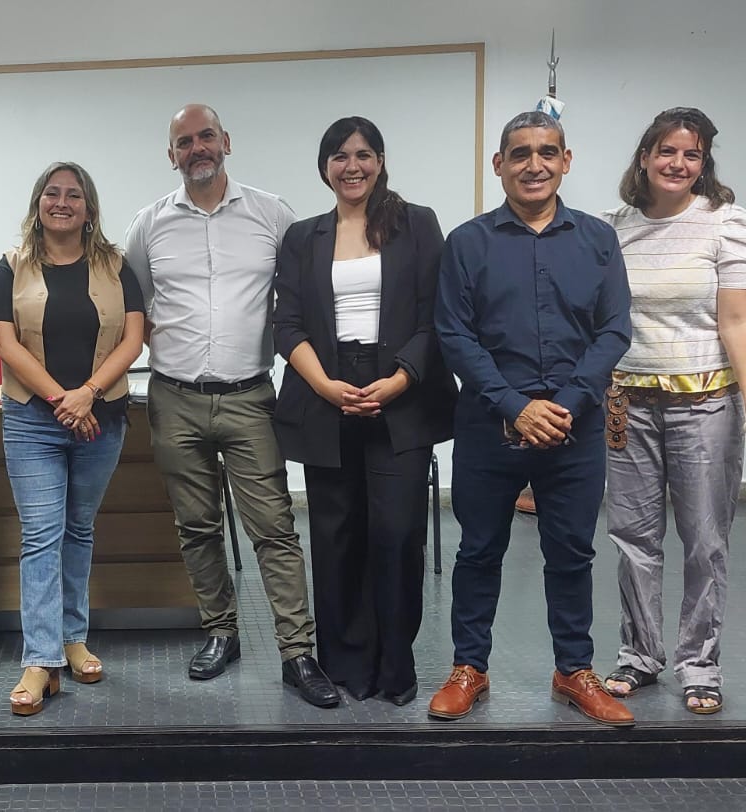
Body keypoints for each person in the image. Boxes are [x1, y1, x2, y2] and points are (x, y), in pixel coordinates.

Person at [123, 103, 339, 708]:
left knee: (273, 527)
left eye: (206, 136)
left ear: (226, 142)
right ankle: (221, 633)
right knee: (197, 527)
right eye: (184, 141)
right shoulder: (149, 225)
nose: (197, 148)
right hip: (174, 398)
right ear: (171, 155)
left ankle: (297, 652)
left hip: (250, 397)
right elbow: (135, 307)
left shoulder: (273, 215)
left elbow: (299, 299)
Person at [431, 111, 634, 726]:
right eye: (520, 153)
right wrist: (516, 407)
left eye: (547, 152)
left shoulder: (598, 240)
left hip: (575, 428)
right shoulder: (467, 243)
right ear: (499, 165)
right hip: (489, 426)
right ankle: (469, 668)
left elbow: (614, 330)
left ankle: (574, 669)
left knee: (572, 553)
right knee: (478, 551)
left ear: (565, 161)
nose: (534, 164)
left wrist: (566, 403)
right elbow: (454, 334)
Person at [271, 117, 456, 706]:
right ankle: (345, 664)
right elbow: (287, 324)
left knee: (397, 533)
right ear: (324, 167)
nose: (352, 166)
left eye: (364, 154)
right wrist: (325, 386)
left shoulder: (416, 224)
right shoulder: (303, 237)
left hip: (400, 388)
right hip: (326, 391)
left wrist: (399, 379)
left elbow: (436, 315)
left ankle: (394, 665)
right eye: (340, 156)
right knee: (335, 534)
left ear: (380, 161)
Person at [600, 107, 746, 715]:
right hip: (626, 404)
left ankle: (699, 664)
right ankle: (639, 655)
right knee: (633, 538)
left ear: (703, 163)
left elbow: (736, 322)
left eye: (692, 155)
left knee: (705, 540)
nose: (678, 164)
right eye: (667, 151)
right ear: (644, 157)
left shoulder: (726, 223)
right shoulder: (613, 228)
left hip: (706, 403)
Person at [0, 162, 145, 716]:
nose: (62, 202)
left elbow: (133, 338)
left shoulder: (116, 265)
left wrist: (89, 394)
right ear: (37, 204)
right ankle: (40, 660)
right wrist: (64, 400)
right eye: (51, 193)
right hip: (34, 419)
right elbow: (5, 344)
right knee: (41, 536)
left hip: (102, 417)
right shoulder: (11, 267)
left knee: (78, 530)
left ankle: (73, 639)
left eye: (73, 195)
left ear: (89, 208)